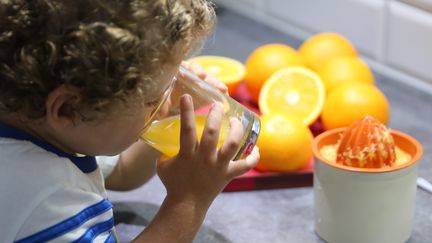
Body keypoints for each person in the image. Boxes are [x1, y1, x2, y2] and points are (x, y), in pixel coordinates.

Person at [0, 0, 260, 242]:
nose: (163, 105)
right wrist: (189, 200)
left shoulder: (40, 127)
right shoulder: (50, 199)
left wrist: (166, 112)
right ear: (68, 108)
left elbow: (123, 172)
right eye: (152, 100)